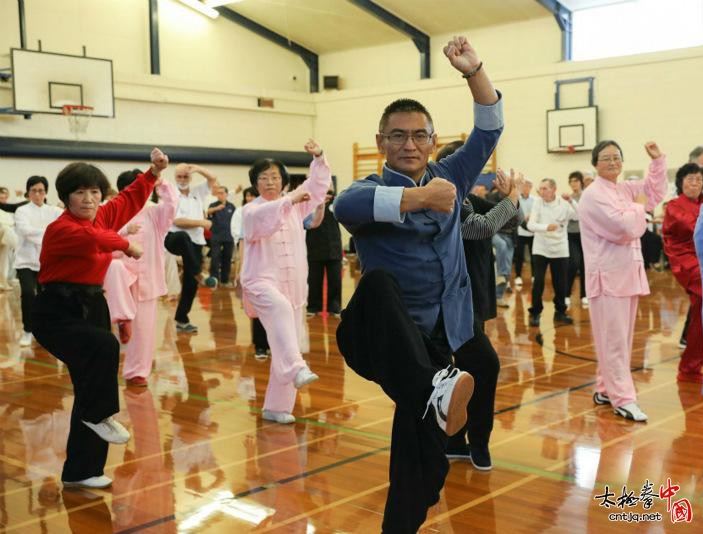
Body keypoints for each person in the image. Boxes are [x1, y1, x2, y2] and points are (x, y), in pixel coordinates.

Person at [333, 35, 502, 533]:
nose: (410, 144)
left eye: (419, 135)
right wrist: (419, 199)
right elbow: (345, 208)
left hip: (439, 344)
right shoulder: (367, 190)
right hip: (385, 339)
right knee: (380, 281)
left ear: (431, 140)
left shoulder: (452, 172)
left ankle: (415, 496)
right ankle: (435, 392)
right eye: (398, 135)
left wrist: (474, 72)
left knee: (418, 459)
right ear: (382, 141)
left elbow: (489, 130)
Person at [32, 148, 167, 489]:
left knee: (89, 384)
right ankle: (99, 416)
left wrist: (152, 174)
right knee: (103, 347)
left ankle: (83, 470)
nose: (89, 199)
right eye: (80, 192)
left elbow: (126, 202)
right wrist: (125, 244)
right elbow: (92, 238)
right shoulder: (61, 228)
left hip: (91, 304)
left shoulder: (100, 216)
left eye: (94, 192)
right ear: (66, 197)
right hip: (56, 311)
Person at [437, 145, 521, 471]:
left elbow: (510, 223)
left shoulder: (468, 197)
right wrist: (510, 197)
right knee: (485, 364)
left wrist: (508, 198)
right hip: (454, 301)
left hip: (474, 300)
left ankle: (456, 441)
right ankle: (478, 441)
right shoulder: (445, 199)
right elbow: (480, 227)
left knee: (465, 371)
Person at [241, 139, 329, 424]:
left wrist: (318, 158)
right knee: (278, 311)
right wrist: (290, 199)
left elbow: (316, 188)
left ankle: (277, 408)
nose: (269, 182)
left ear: (283, 181)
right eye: (263, 178)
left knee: (284, 340)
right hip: (259, 282)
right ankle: (296, 367)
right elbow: (266, 219)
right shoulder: (251, 210)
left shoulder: (295, 206)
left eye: (275, 177)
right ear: (255, 183)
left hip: (291, 286)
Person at [579, 141, 667, 422]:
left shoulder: (622, 189)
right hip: (608, 278)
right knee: (614, 341)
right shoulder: (593, 195)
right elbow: (624, 228)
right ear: (595, 163)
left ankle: (606, 389)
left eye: (617, 157)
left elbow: (653, 193)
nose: (613, 162)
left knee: (621, 340)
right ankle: (623, 398)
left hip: (626, 274)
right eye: (606, 158)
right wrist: (640, 209)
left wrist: (657, 162)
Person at [102, 169, 179, 387]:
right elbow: (101, 239)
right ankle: (123, 318)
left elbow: (173, 206)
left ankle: (137, 372)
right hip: (119, 275)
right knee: (115, 269)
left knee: (144, 328)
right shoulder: (111, 212)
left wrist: (161, 183)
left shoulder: (154, 212)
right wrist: (124, 231)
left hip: (146, 277)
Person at [662, 163, 703, 382]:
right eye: (690, 178)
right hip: (686, 261)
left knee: (699, 309)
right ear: (680, 182)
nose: (695, 182)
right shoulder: (674, 206)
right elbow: (692, 226)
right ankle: (690, 364)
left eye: (698, 179)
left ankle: (690, 365)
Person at [165, 163, 217, 332]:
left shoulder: (197, 192)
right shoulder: (170, 194)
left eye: (185, 176)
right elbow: (177, 221)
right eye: (179, 176)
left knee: (190, 284)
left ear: (191, 177)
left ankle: (182, 319)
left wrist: (197, 168)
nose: (182, 179)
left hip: (196, 242)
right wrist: (202, 222)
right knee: (182, 235)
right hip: (174, 238)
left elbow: (212, 178)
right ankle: (199, 274)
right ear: (174, 177)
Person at [13, 176, 63, 346]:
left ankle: (45, 330)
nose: (37, 194)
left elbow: (63, 228)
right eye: (33, 190)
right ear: (28, 193)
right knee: (28, 293)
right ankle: (27, 330)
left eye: (40, 190)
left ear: (46, 192)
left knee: (47, 297)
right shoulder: (22, 211)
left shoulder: (55, 211)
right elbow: (25, 230)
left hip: (48, 262)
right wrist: (49, 234)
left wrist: (46, 235)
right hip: (25, 260)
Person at [527, 178, 578, 327]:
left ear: (553, 189)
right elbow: (531, 224)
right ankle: (535, 312)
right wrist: (545, 227)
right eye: (540, 188)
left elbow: (578, 216)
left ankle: (560, 312)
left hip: (560, 249)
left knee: (560, 283)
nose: (541, 191)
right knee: (538, 281)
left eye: (545, 188)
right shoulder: (537, 202)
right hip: (540, 247)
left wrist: (572, 202)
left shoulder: (564, 203)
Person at [305, 189, 343, 317]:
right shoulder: (309, 203)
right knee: (314, 280)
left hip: (334, 248)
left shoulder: (336, 202)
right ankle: (313, 307)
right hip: (314, 247)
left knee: (335, 280)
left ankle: (335, 307)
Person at [566, 171, 588, 308]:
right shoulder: (567, 198)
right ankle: (566, 294)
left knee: (586, 265)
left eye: (576, 181)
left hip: (585, 235)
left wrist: (576, 214)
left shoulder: (586, 197)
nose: (574, 184)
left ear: (581, 182)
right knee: (573, 263)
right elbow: (570, 216)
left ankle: (584, 294)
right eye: (571, 181)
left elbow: (582, 215)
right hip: (571, 234)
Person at [207, 185, 236, 288]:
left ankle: (225, 280)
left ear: (226, 194)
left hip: (229, 236)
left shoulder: (231, 206)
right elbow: (207, 213)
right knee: (215, 257)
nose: (220, 195)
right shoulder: (213, 205)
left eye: (222, 193)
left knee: (227, 258)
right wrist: (216, 208)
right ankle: (213, 280)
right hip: (216, 236)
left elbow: (236, 221)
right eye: (218, 193)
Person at [513, 178, 535, 288]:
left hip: (532, 232)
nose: (526, 188)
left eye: (528, 186)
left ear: (531, 188)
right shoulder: (517, 199)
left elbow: (537, 213)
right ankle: (518, 276)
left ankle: (534, 276)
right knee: (519, 256)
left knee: (533, 255)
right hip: (520, 232)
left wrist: (532, 216)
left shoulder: (535, 199)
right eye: (524, 186)